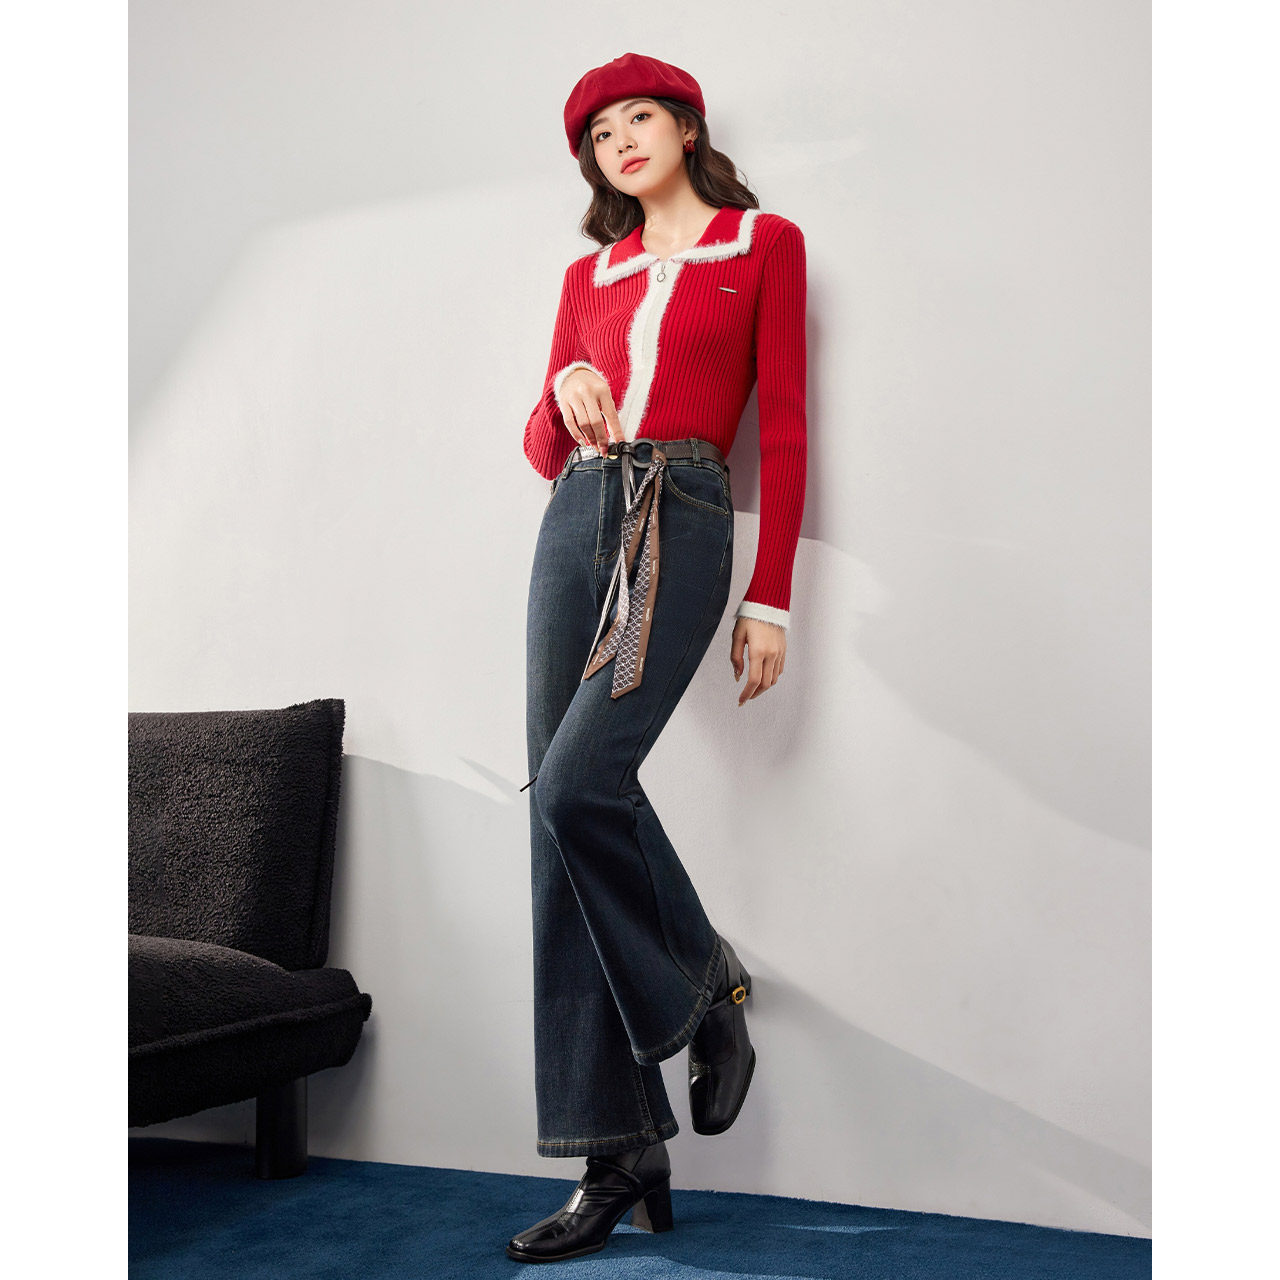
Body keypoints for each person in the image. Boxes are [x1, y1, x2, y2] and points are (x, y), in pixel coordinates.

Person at [508, 52, 808, 1264]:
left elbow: (783, 428)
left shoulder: (761, 245)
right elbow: (541, 443)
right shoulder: (587, 276)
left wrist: (770, 596)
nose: (620, 139)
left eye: (640, 117)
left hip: (673, 514)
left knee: (580, 784)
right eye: (599, 132)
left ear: (685, 128)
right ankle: (615, 1149)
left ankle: (705, 981)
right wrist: (569, 381)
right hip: (575, 517)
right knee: (554, 819)